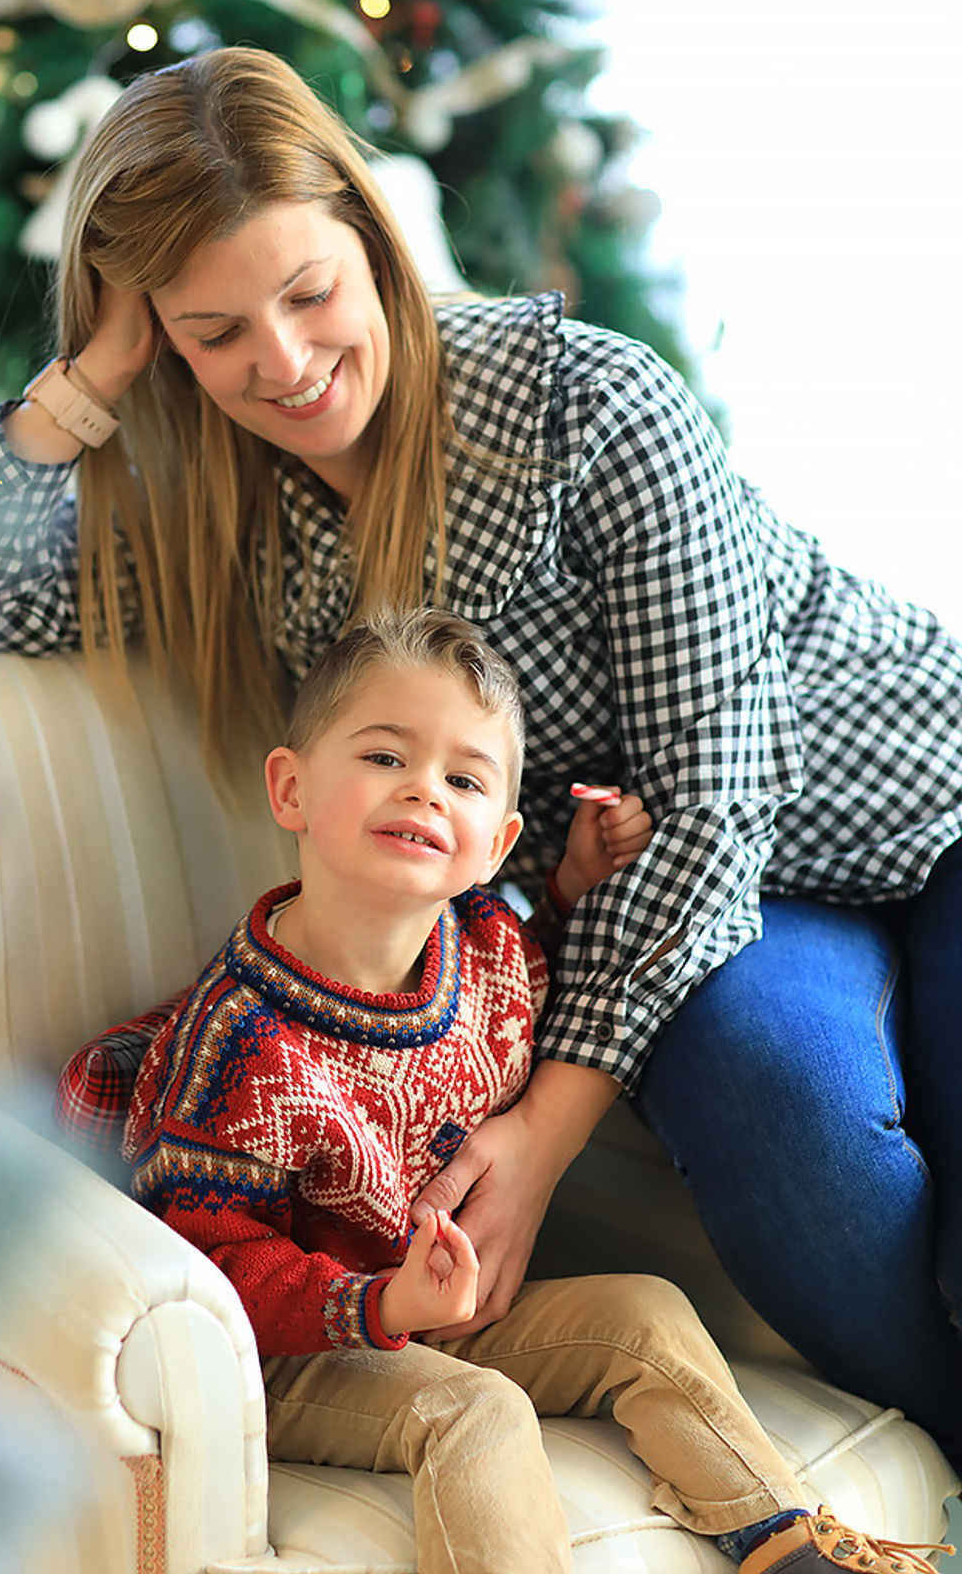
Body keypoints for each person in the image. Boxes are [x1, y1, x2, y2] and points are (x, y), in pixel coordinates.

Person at [0, 45, 962, 1470]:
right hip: (723, 916)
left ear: (373, 239)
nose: (280, 363)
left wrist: (533, 1139)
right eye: (213, 331)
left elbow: (717, 801)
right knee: (779, 1112)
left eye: (307, 293)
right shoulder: (232, 533)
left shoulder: (589, 401)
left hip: (904, 796)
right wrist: (87, 374)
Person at [56, 609, 946, 1574]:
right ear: (292, 788)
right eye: (386, 756)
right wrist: (383, 1306)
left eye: (463, 779)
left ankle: (788, 1545)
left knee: (646, 1314)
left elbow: (524, 984)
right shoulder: (238, 1047)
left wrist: (566, 887)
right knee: (474, 1410)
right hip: (288, 1352)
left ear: (494, 842)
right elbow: (206, 1264)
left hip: (443, 1306)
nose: (423, 791)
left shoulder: (477, 943)